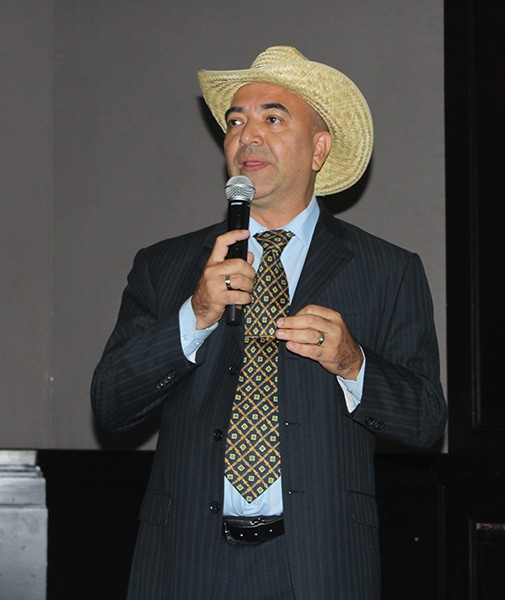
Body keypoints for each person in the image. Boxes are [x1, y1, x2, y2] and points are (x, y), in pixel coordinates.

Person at [91, 46, 446, 600]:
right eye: (235, 122)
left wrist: (352, 362)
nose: (247, 136)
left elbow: (424, 421)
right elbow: (111, 405)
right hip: (186, 561)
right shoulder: (166, 266)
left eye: (273, 119)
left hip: (319, 565)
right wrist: (195, 314)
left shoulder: (387, 270)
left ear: (319, 149)